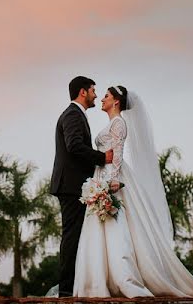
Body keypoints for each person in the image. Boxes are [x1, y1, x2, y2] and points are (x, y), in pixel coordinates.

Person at [73, 85, 193, 298]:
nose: (102, 99)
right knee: (101, 226)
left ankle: (123, 277)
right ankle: (98, 280)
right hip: (101, 174)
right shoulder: (112, 123)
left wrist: (111, 182)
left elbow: (118, 153)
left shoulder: (119, 123)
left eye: (107, 96)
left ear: (116, 101)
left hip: (111, 177)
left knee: (116, 226)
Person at [50, 76, 114, 297]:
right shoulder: (72, 115)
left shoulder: (76, 115)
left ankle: (73, 286)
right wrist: (102, 157)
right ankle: (67, 291)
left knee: (75, 235)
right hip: (70, 186)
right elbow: (74, 146)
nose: (96, 94)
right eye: (93, 90)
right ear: (82, 92)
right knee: (72, 236)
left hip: (73, 184)